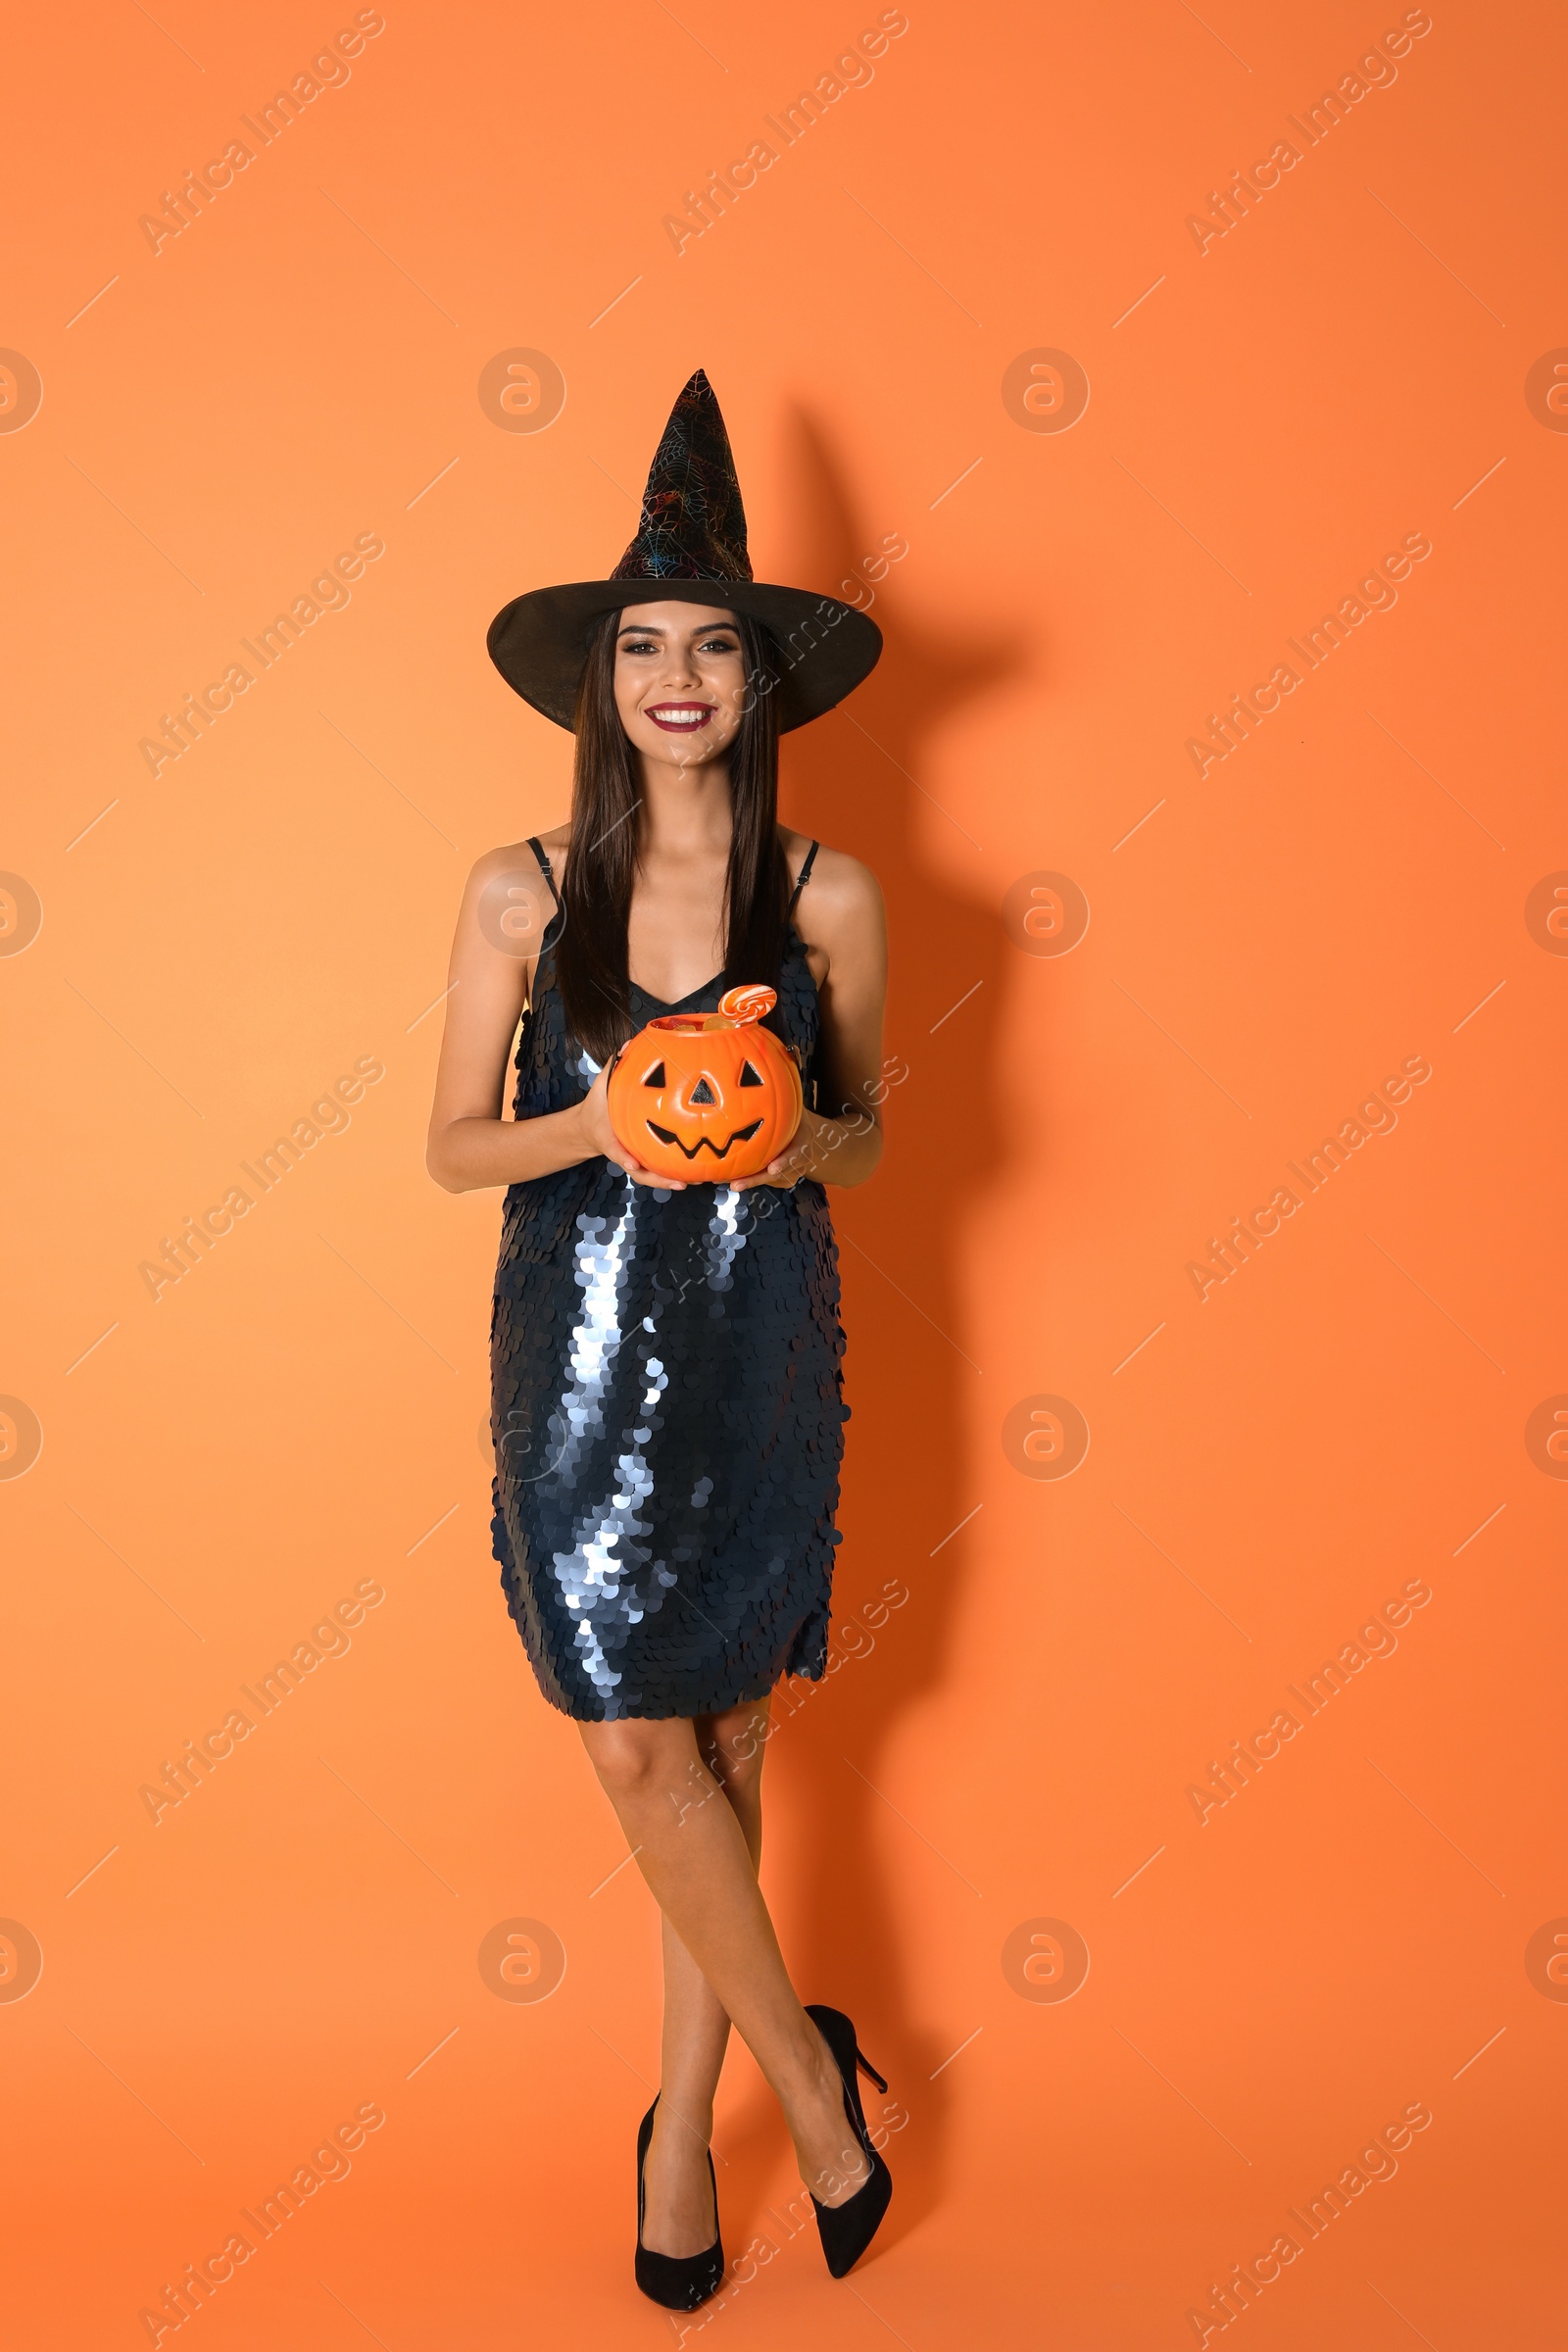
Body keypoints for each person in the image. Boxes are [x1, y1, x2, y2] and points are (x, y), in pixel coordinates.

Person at [426, 373, 895, 2307]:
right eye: (646, 645)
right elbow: (452, 1148)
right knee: (635, 1751)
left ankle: (679, 2139)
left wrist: (802, 1137)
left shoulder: (828, 894)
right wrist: (595, 1122)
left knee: (717, 1742)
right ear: (597, 679)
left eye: (713, 643)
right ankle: (808, 2070)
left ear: (759, 679)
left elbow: (870, 1138)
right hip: (577, 1369)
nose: (679, 675)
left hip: (755, 1359)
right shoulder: (520, 892)